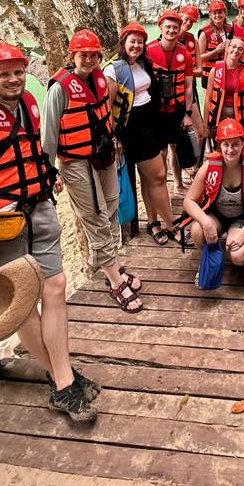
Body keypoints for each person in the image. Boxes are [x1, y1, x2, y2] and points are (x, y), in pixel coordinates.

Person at [0, 43, 98, 422]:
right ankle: (64, 381)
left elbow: (33, 153)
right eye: (3, 74)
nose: (13, 79)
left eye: (17, 71)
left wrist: (49, 176)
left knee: (56, 286)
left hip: (40, 209)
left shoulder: (29, 105)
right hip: (2, 222)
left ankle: (61, 375)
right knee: (23, 302)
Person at [43, 30, 142, 313]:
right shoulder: (59, 89)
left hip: (103, 155)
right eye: (82, 54)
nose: (87, 59)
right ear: (72, 56)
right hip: (76, 163)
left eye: (92, 55)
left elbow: (106, 115)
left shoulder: (100, 79)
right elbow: (48, 136)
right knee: (96, 217)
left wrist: (113, 139)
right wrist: (49, 173)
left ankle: (113, 268)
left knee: (110, 209)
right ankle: (114, 281)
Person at [105, 22, 176, 247]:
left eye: (140, 42)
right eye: (132, 41)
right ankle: (173, 224)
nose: (136, 45)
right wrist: (113, 136)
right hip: (133, 128)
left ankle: (153, 222)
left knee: (148, 178)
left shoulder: (142, 63)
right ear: (123, 42)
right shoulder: (114, 68)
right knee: (158, 176)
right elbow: (108, 108)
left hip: (149, 124)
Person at [180, 117, 244, 271]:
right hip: (216, 215)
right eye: (226, 144)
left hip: (242, 217)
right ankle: (212, 259)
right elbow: (188, 201)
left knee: (239, 257)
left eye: (235, 144)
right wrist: (205, 221)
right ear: (219, 146)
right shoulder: (210, 166)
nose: (230, 150)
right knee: (197, 230)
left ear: (243, 143)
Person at [146, 10, 195, 210]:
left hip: (176, 109)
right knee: (161, 151)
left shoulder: (185, 54)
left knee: (175, 148)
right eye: (168, 27)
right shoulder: (148, 51)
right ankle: (162, 188)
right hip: (156, 111)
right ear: (160, 27)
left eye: (175, 27)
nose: (172, 30)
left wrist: (188, 113)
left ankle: (178, 184)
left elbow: (189, 86)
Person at [204, 38, 244, 149]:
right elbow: (207, 98)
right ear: (227, 47)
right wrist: (205, 124)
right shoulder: (215, 71)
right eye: (233, 46)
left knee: (242, 152)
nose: (236, 50)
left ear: (243, 52)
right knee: (220, 151)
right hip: (219, 116)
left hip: (242, 116)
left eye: (240, 49)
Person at [175, 4, 205, 190]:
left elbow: (200, 70)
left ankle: (193, 165)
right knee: (174, 142)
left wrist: (183, 72)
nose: (186, 23)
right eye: (184, 19)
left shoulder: (192, 39)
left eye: (190, 21)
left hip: (189, 92)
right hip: (171, 97)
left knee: (200, 132)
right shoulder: (167, 38)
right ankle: (178, 182)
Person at [198, 0, 234, 91]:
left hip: (227, 73)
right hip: (209, 75)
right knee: (209, 104)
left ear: (224, 13)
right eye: (214, 13)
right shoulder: (204, 33)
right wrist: (216, 51)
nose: (217, 15)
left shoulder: (231, 29)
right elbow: (199, 58)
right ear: (210, 15)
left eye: (220, 12)